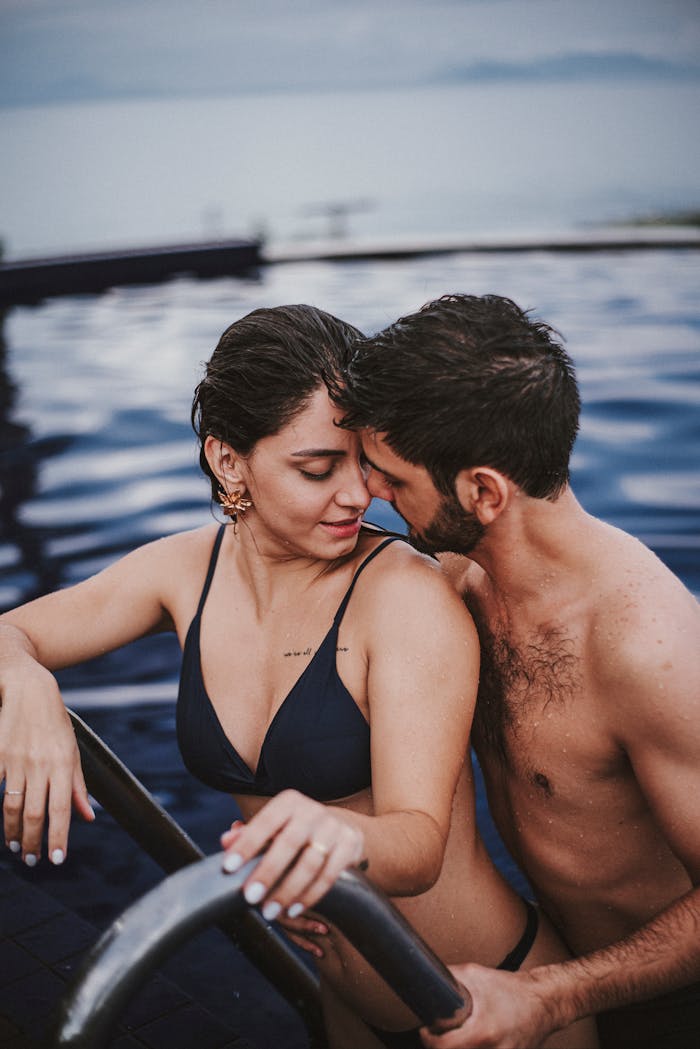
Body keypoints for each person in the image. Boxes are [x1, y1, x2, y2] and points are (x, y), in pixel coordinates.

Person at [0, 304, 595, 1049]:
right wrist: (26, 687)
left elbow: (416, 846)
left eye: (364, 463)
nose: (357, 494)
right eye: (318, 468)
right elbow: (11, 631)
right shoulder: (183, 572)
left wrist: (323, 834)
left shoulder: (403, 595)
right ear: (228, 460)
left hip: (478, 1003)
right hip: (347, 1009)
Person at [337, 291, 700, 1049]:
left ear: (483, 491)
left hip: (670, 1001)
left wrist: (550, 994)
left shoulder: (643, 645)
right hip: (553, 957)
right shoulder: (458, 581)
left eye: (393, 479)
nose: (369, 492)